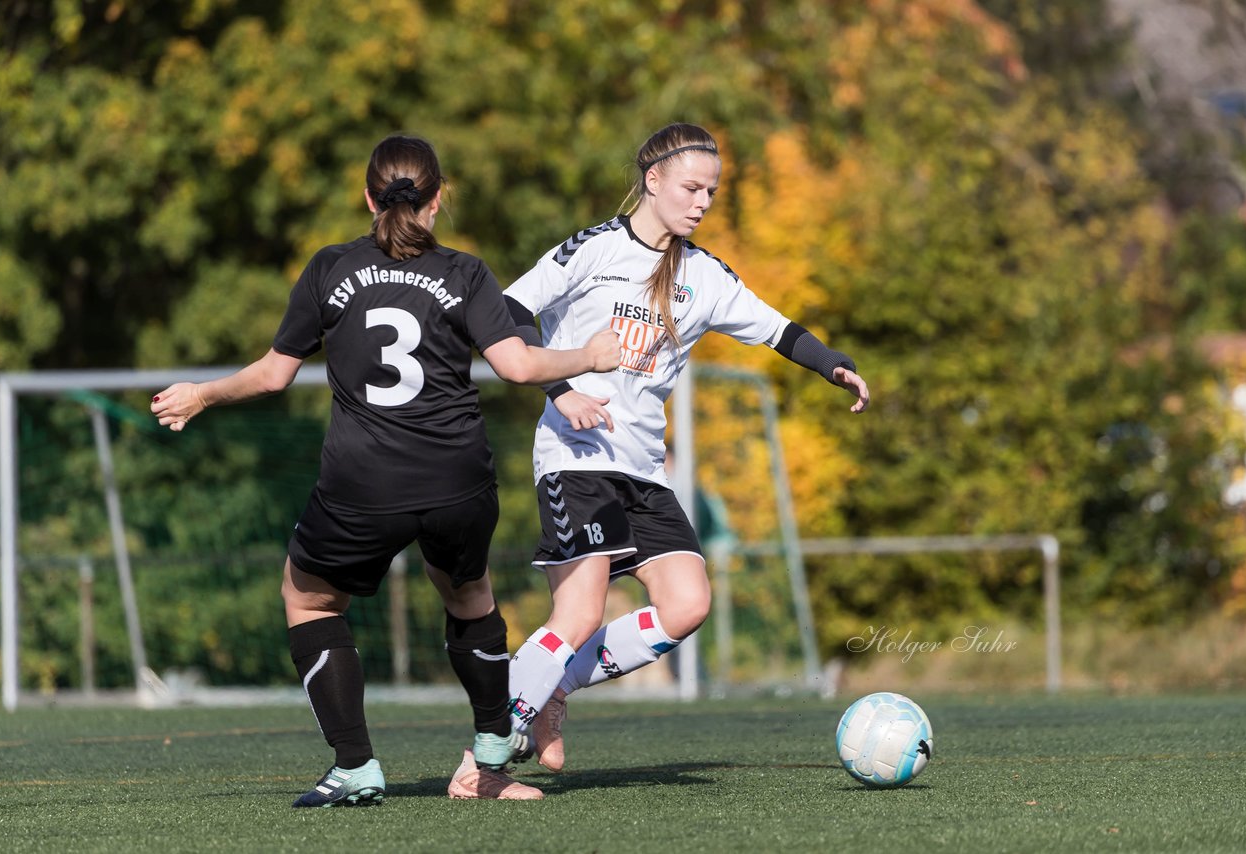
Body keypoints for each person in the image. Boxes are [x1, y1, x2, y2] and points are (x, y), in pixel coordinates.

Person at [149, 134, 620, 805]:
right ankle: (489, 757)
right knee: (469, 597)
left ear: (368, 197)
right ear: (439, 199)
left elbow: (273, 376)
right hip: (458, 477)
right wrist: (589, 357)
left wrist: (202, 394)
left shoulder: (330, 269)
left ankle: (355, 767)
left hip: (363, 482)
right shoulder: (466, 272)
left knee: (308, 599)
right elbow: (518, 366)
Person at [502, 122, 870, 771]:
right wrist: (560, 389)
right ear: (652, 181)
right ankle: (487, 749)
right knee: (580, 612)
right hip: (576, 456)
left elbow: (779, 329)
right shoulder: (592, 250)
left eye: (712, 191)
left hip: (643, 471)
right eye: (692, 187)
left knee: (687, 603)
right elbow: (506, 311)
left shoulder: (704, 275)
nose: (703, 201)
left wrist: (832, 364)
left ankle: (552, 685)